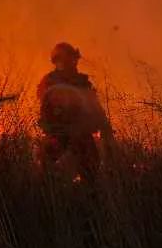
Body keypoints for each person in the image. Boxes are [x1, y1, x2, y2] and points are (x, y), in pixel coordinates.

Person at [37, 42, 112, 181]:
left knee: (91, 172)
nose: (73, 62)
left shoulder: (83, 82)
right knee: (48, 174)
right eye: (68, 58)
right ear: (58, 61)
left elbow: (95, 107)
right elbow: (46, 105)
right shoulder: (49, 81)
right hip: (58, 134)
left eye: (73, 58)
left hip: (82, 134)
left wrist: (106, 128)